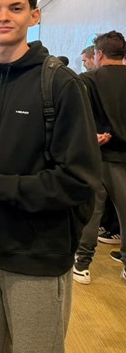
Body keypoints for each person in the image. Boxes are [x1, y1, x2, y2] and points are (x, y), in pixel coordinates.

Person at [0, 0, 101, 353]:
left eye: (16, 8)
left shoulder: (60, 84)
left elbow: (80, 180)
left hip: (36, 257)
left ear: (34, 15)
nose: (4, 16)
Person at [74, 30, 126, 284]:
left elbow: (77, 116)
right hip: (124, 159)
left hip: (95, 156)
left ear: (99, 54)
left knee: (92, 212)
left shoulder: (87, 80)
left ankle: (82, 264)